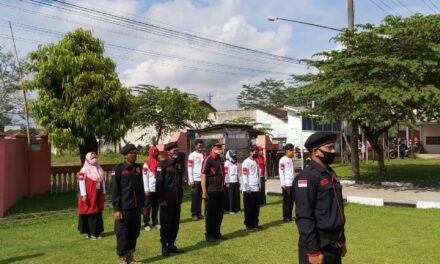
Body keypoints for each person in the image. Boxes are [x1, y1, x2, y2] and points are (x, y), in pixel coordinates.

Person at [294, 132, 346, 264]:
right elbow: (304, 216)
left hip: (334, 243)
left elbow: (336, 210)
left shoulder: (329, 173)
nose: (334, 151)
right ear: (316, 151)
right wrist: (313, 251)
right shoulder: (307, 177)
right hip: (318, 244)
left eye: (334, 147)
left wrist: (341, 240)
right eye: (329, 148)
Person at [112, 144, 145, 264]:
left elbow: (140, 188)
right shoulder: (119, 169)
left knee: (134, 233)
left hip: (136, 207)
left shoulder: (138, 168)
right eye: (132, 153)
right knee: (123, 234)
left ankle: (130, 258)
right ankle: (122, 258)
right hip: (124, 208)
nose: (135, 155)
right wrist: (116, 209)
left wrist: (142, 205)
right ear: (125, 155)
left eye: (136, 153)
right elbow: (115, 191)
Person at [155, 141, 185, 257]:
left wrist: (181, 196)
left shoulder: (177, 164)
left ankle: (172, 244)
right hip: (166, 201)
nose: (176, 152)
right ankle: (164, 246)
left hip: (176, 199)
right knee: (166, 224)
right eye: (174, 151)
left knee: (175, 223)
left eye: (177, 150)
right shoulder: (162, 165)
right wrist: (161, 199)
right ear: (168, 152)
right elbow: (159, 184)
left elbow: (179, 182)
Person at [201, 142, 227, 242]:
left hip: (221, 189)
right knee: (211, 213)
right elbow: (203, 175)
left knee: (219, 213)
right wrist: (204, 191)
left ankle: (217, 233)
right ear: (212, 148)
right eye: (217, 147)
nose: (219, 149)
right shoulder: (208, 159)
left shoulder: (221, 159)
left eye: (220, 147)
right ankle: (209, 234)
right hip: (211, 190)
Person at [77, 152, 105, 240]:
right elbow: (81, 182)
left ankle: (97, 231)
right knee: (90, 212)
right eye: (92, 158)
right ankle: (91, 233)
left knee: (98, 212)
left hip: (98, 193)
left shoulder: (99, 168)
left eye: (95, 157)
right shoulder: (84, 170)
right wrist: (83, 195)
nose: (94, 159)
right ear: (88, 159)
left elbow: (102, 181)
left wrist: (103, 192)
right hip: (89, 194)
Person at [242, 146, 262, 231]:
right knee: (249, 208)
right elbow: (244, 175)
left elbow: (257, 175)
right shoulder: (246, 162)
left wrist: (259, 186)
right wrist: (247, 188)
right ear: (250, 152)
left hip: (256, 188)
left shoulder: (256, 161)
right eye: (254, 151)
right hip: (249, 189)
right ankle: (249, 225)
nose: (256, 153)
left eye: (257, 151)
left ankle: (255, 224)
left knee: (256, 208)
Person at [142, 145, 160, 231]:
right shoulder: (146, 164)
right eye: (155, 151)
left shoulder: (159, 162)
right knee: (147, 207)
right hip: (149, 189)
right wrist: (146, 189)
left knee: (156, 207)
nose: (157, 153)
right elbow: (145, 177)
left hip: (157, 189)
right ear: (151, 152)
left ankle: (155, 222)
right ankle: (146, 223)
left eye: (157, 151)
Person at [187, 139, 205, 221]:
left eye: (202, 145)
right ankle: (194, 214)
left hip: (202, 179)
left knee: (200, 198)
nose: (200, 147)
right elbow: (189, 168)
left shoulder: (203, 155)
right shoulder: (192, 155)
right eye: (199, 145)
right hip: (195, 179)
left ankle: (199, 213)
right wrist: (191, 179)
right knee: (195, 198)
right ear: (195, 146)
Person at [279, 143, 295, 222]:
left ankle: (290, 215)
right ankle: (285, 216)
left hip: (292, 183)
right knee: (286, 201)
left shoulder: (291, 159)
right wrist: (282, 183)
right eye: (290, 150)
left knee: (291, 200)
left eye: (293, 150)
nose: (292, 152)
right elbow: (281, 172)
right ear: (286, 151)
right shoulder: (283, 160)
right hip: (286, 183)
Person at [224, 149, 240, 214]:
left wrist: (239, 180)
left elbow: (238, 171)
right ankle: (231, 209)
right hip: (230, 181)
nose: (234, 156)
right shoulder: (227, 163)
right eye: (232, 155)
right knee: (230, 196)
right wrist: (227, 182)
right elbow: (226, 173)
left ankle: (237, 209)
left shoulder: (236, 162)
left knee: (236, 196)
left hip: (235, 181)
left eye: (234, 155)